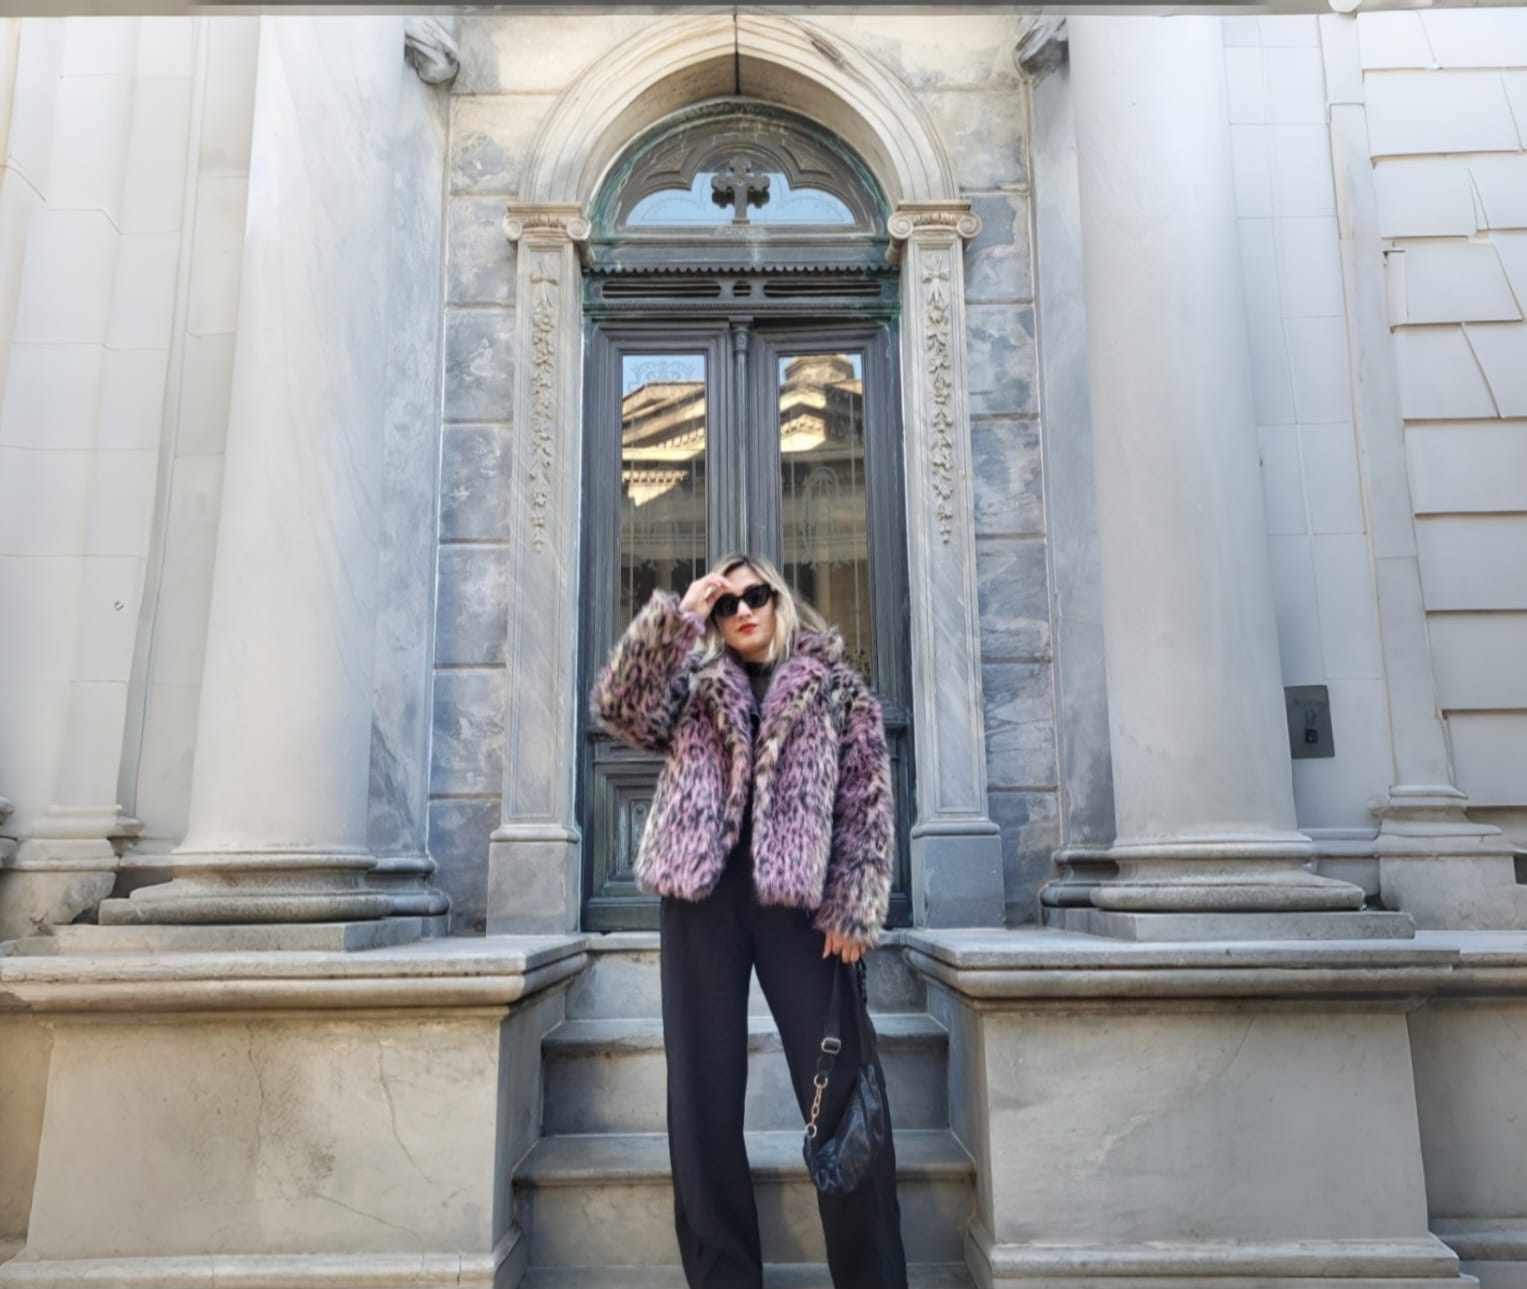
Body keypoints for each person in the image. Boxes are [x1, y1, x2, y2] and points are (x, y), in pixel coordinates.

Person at [590, 552, 909, 1289]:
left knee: (842, 1095)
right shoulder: (696, 684)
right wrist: (679, 617)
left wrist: (853, 903)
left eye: (754, 595)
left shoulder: (834, 687)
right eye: (726, 602)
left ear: (777, 599)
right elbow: (619, 706)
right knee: (700, 1098)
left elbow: (866, 800)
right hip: (701, 901)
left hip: (801, 909)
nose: (742, 610)